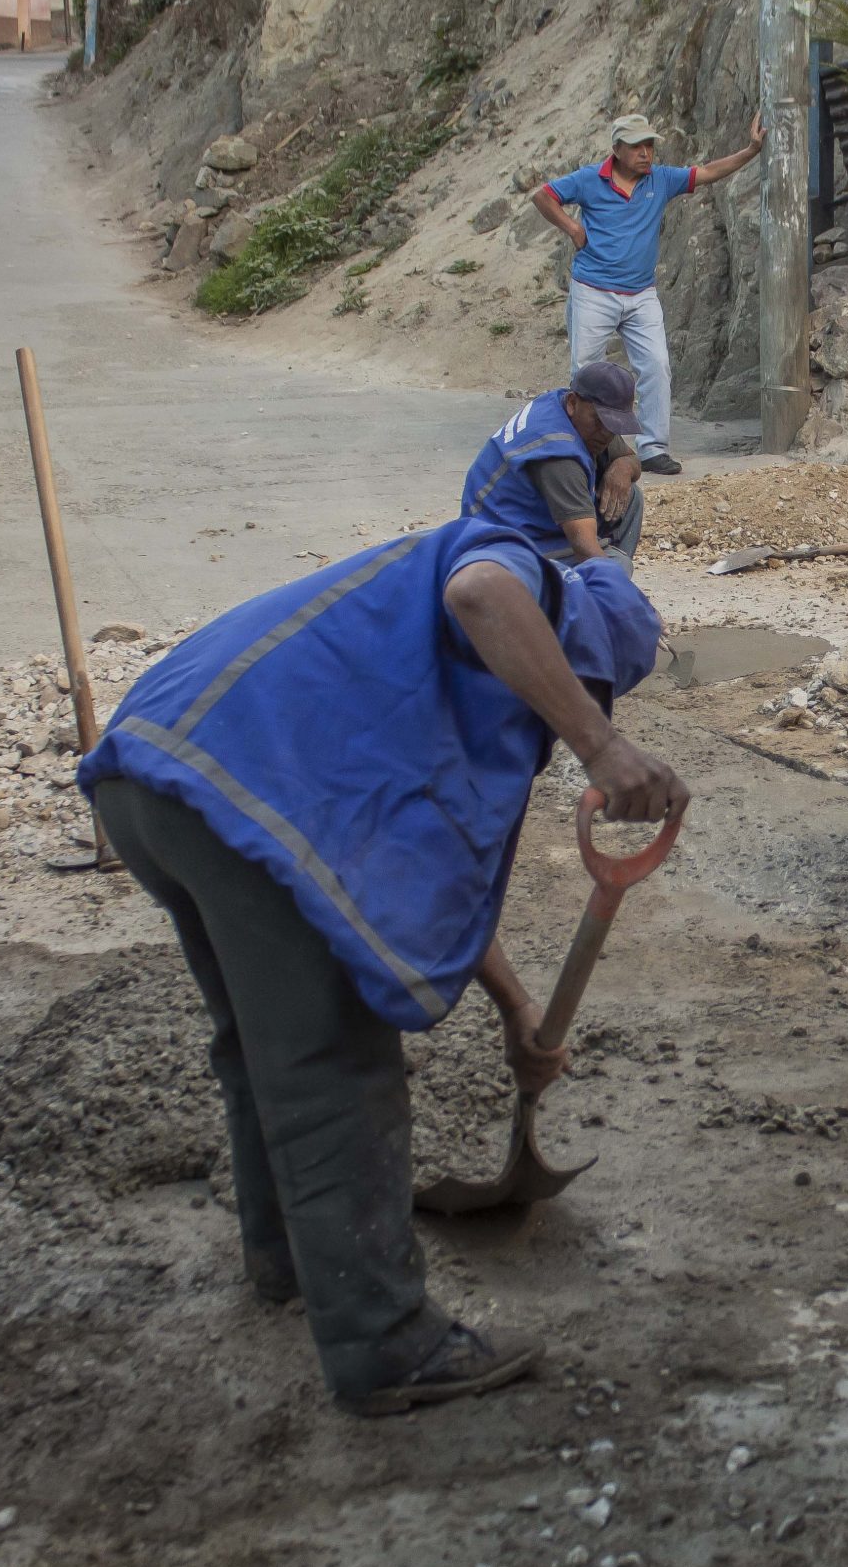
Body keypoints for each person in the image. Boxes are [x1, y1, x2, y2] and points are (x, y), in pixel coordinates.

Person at [77, 457, 687, 1417]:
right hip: (229, 780)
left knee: (262, 1039)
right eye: (597, 682)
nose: (589, 703)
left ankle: (286, 1258)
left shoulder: (459, 676)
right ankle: (384, 1341)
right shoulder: (510, 570)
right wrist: (600, 747)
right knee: (334, 1056)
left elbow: (417, 877)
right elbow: (484, 593)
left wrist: (519, 1006)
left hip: (155, 773)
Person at [531, 113, 767, 476]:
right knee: (585, 373)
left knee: (656, 365)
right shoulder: (589, 179)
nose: (646, 153)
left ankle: (654, 448)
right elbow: (543, 196)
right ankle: (579, 448)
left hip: (641, 294)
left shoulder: (661, 179)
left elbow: (708, 172)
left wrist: (751, 149)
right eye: (637, 146)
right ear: (617, 150)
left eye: (650, 146)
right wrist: (574, 229)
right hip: (593, 291)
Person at [460, 360, 646, 565]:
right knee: (617, 566)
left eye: (614, 425)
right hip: (498, 546)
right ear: (573, 403)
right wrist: (616, 586)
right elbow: (586, 550)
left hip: (523, 522)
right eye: (600, 421)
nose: (606, 434)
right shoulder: (559, 455)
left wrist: (623, 467)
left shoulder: (565, 406)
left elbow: (630, 458)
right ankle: (593, 593)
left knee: (630, 494)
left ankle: (592, 588)